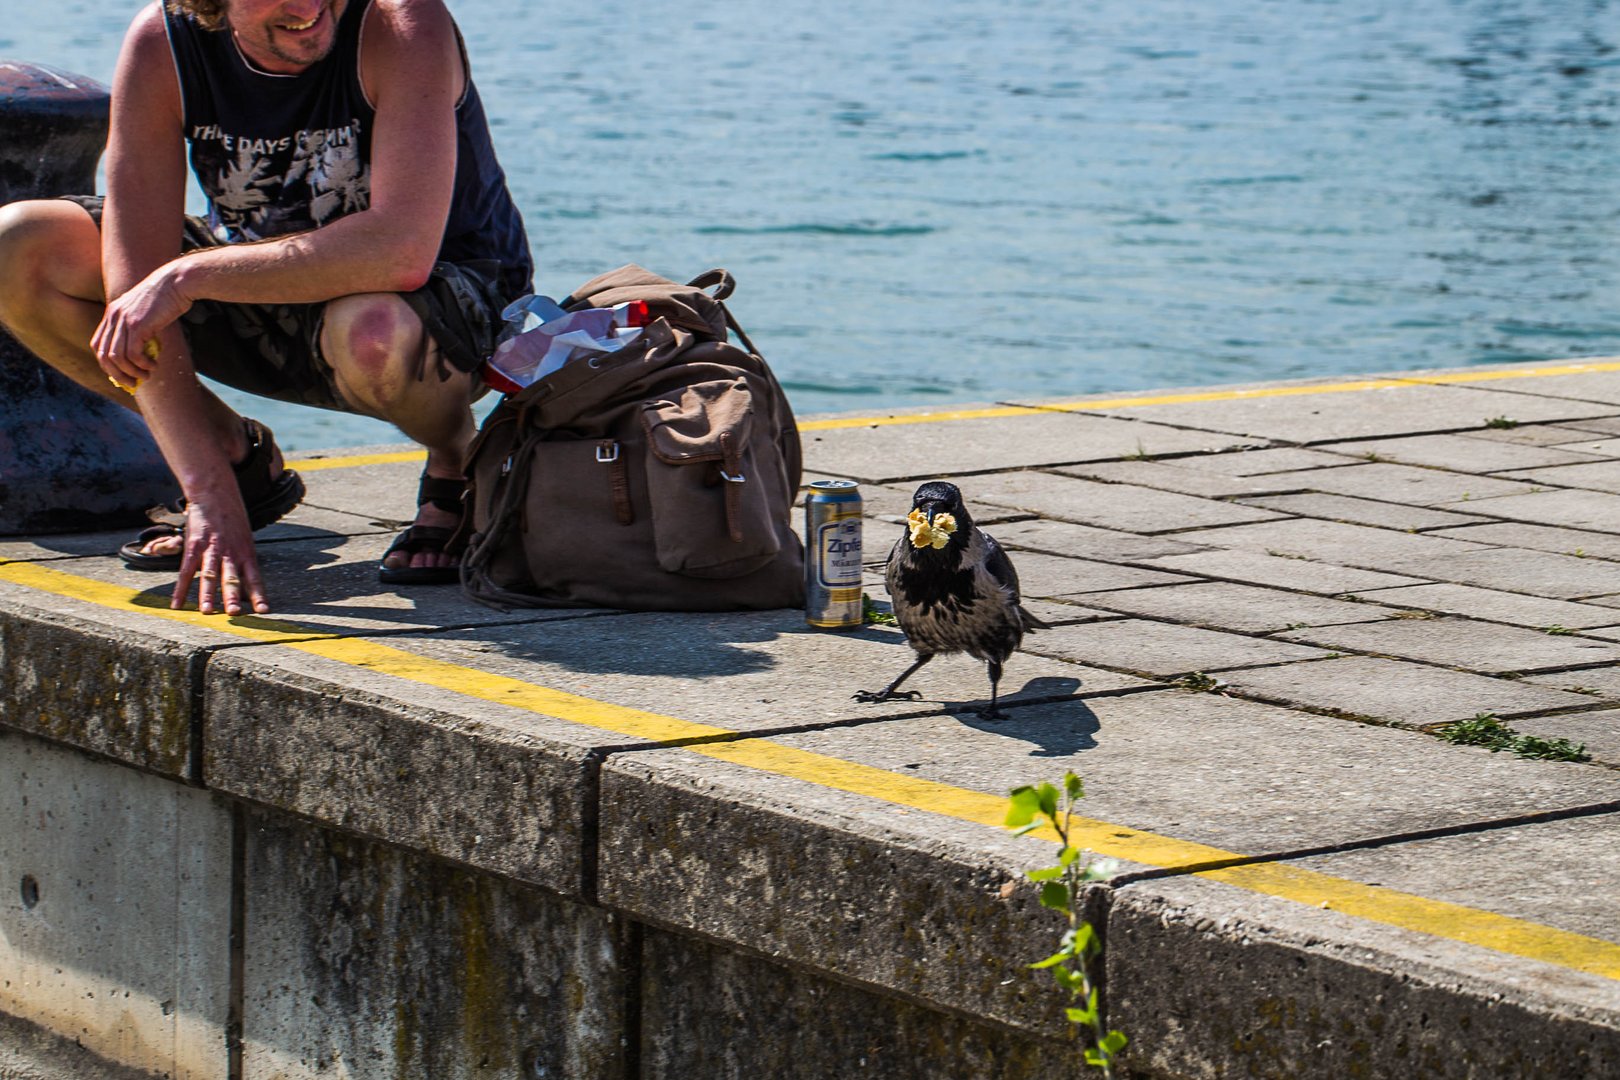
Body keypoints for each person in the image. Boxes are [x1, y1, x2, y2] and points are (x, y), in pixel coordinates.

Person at [0, 0, 532, 616]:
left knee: (373, 330)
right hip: (264, 285)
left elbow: (400, 251)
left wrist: (187, 276)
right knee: (21, 246)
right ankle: (234, 457)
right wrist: (205, 488)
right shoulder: (162, 43)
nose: (307, 7)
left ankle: (457, 459)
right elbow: (133, 281)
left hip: (434, 300)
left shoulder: (400, 22)